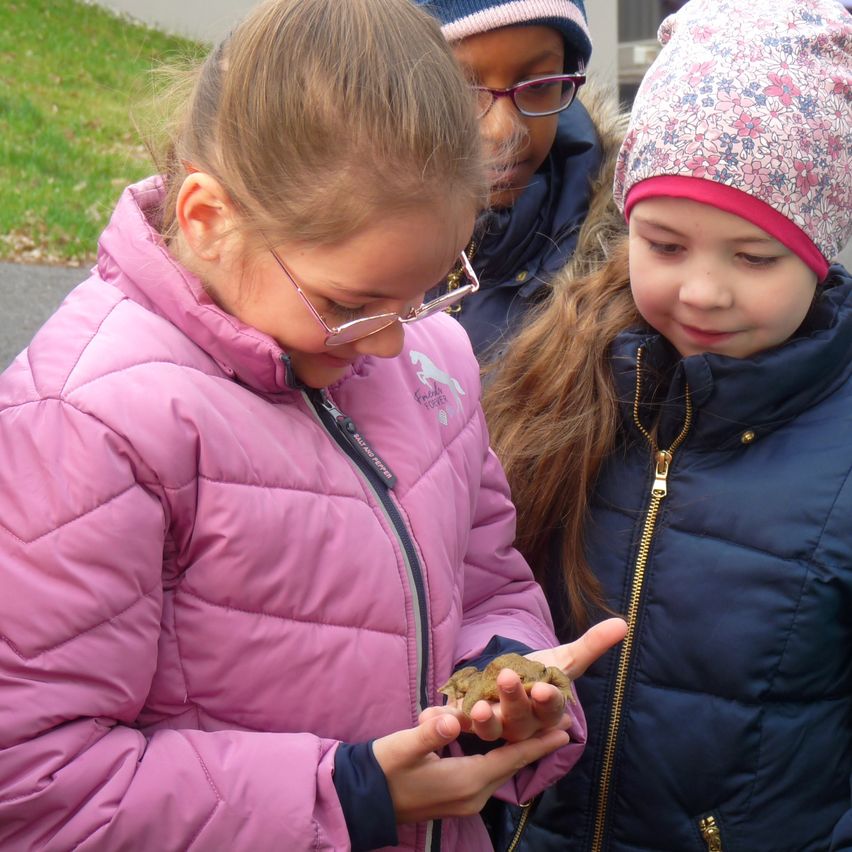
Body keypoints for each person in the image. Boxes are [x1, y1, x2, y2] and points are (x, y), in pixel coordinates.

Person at [0, 1, 629, 850]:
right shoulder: (90, 423)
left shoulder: (428, 357)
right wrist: (350, 793)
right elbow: (36, 787)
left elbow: (481, 579)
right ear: (207, 218)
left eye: (427, 289)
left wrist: (497, 687)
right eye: (348, 304)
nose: (392, 340)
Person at [483, 0, 852, 848]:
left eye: (754, 256)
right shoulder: (555, 380)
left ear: (822, 248)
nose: (703, 291)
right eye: (665, 244)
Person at [414, 0, 628, 360]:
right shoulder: (316, 259)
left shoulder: (621, 277)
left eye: (538, 86)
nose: (503, 130)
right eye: (461, 90)